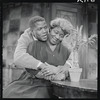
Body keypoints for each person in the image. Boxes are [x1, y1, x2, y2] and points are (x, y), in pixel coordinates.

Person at [3, 18, 74, 98]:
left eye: (61, 35)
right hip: (33, 81)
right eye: (55, 32)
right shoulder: (33, 42)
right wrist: (47, 70)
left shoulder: (65, 49)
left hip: (55, 84)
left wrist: (62, 69)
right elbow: (20, 58)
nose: (57, 37)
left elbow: (72, 61)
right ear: (50, 30)